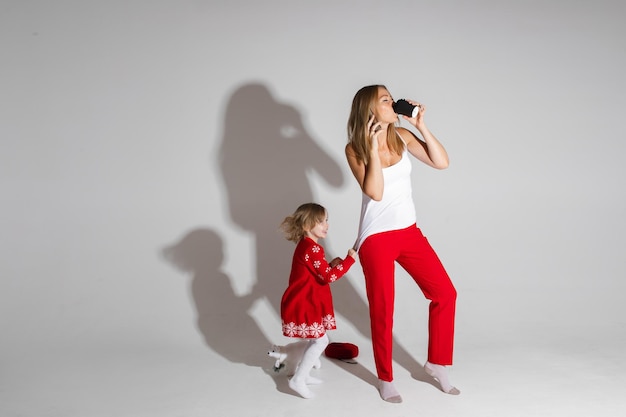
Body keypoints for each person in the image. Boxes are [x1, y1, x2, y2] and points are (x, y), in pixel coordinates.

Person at [345, 85, 459, 403]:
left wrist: (420, 125)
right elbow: (375, 193)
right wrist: (370, 146)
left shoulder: (403, 137)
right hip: (376, 238)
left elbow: (442, 162)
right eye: (385, 100)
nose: (393, 102)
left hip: (409, 232)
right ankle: (385, 378)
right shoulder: (354, 149)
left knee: (445, 294)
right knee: (383, 310)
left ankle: (436, 362)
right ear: (370, 109)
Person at [279, 203, 357, 399]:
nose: (326, 225)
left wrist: (331, 264)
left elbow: (319, 273)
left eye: (326, 220)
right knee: (321, 341)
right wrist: (349, 260)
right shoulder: (312, 249)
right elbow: (328, 277)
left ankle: (297, 370)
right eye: (321, 221)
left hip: (307, 300)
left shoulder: (308, 247)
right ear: (307, 225)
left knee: (315, 339)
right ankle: (298, 379)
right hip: (305, 301)